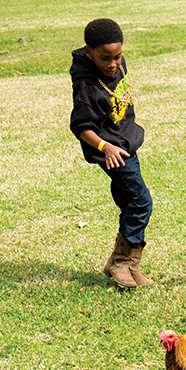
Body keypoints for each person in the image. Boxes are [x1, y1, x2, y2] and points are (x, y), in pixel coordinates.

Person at [70, 18, 153, 289]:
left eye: (117, 57)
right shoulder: (87, 87)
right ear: (88, 52)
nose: (113, 64)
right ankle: (120, 262)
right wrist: (105, 147)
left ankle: (130, 265)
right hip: (112, 152)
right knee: (141, 203)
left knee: (130, 204)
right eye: (105, 58)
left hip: (126, 144)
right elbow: (81, 127)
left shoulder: (118, 65)